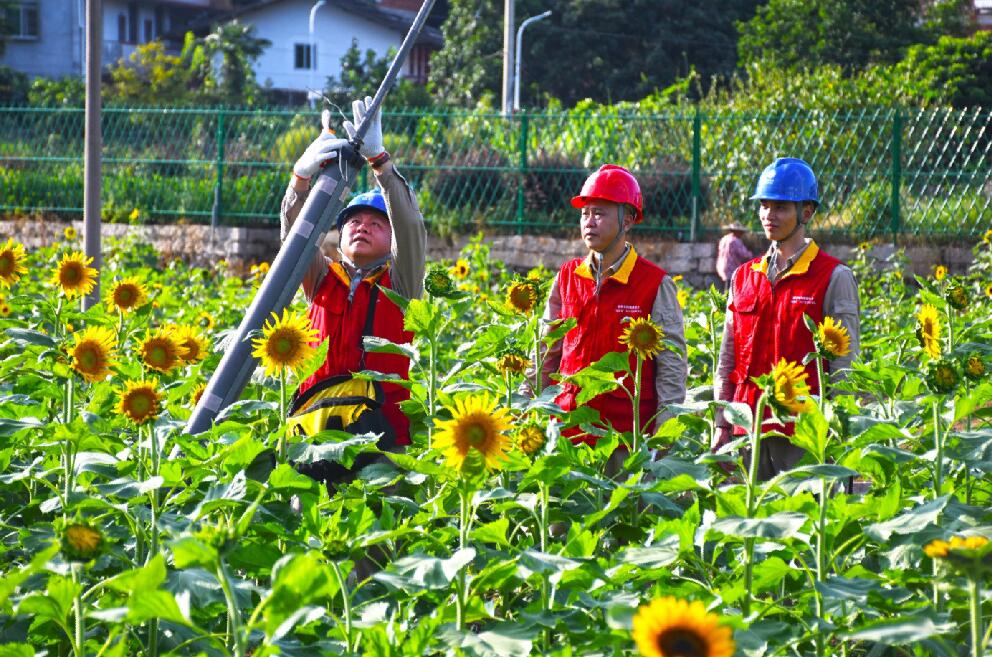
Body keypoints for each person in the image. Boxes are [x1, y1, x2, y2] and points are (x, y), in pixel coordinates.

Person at [280, 96, 426, 486]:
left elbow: (411, 227)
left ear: (391, 238)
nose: (362, 226)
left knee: (374, 535)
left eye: (376, 223)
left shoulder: (401, 283)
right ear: (339, 235)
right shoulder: (322, 279)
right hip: (314, 431)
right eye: (353, 221)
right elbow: (296, 238)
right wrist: (299, 182)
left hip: (382, 437)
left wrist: (381, 164)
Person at [713, 158, 860, 480]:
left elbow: (844, 366)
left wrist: (839, 430)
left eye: (780, 207)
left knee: (802, 523)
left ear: (806, 213)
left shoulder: (833, 276)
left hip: (803, 433)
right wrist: (721, 421)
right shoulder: (743, 277)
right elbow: (727, 359)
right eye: (764, 206)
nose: (769, 215)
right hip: (746, 428)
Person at [538, 164, 687, 458]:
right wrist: (532, 408)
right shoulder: (567, 277)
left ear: (628, 220)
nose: (589, 222)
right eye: (585, 213)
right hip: (568, 432)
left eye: (599, 213)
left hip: (625, 438)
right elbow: (546, 351)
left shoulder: (654, 283)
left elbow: (672, 364)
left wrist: (665, 429)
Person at [716, 221, 754, 290]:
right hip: (731, 268)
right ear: (737, 232)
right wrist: (751, 254)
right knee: (729, 289)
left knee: (722, 289)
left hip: (721, 267)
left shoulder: (724, 239)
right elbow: (745, 255)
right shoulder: (736, 241)